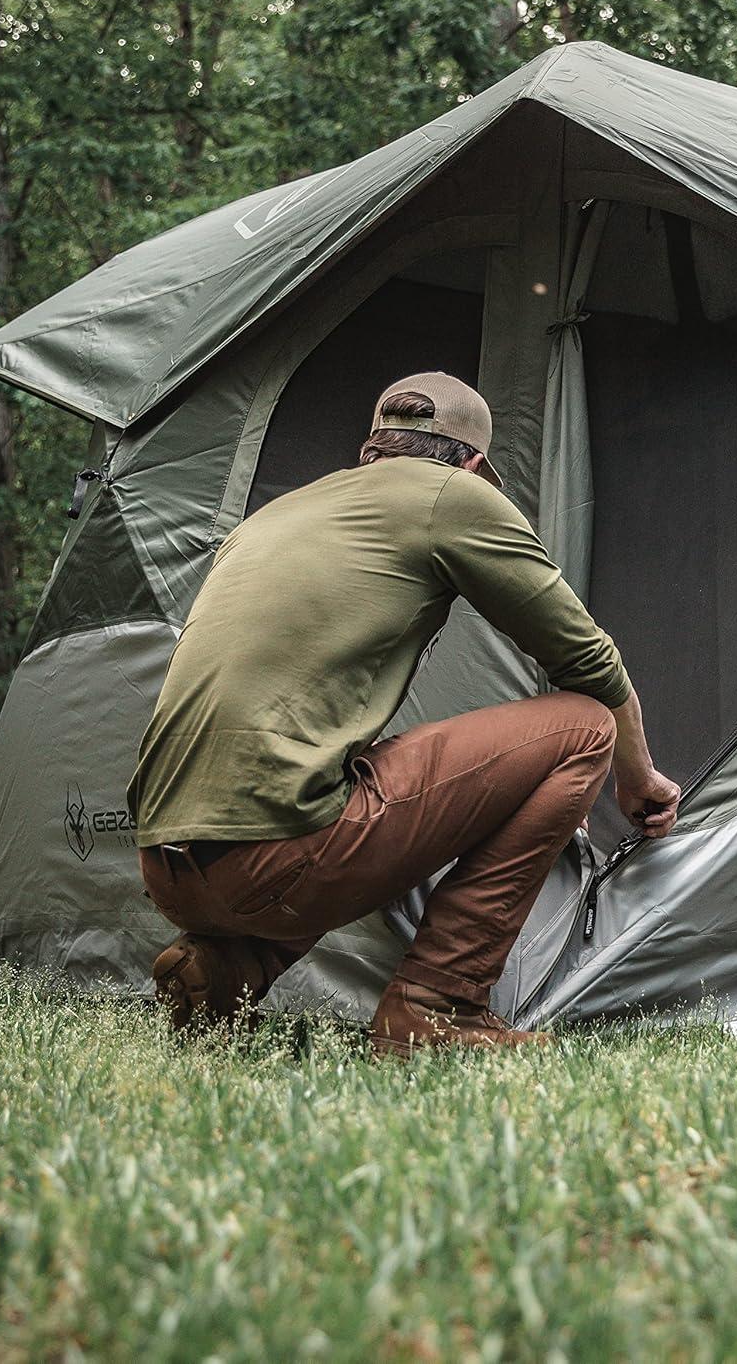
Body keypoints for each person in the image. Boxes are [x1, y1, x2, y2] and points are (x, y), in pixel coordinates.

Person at [128, 371, 679, 1057]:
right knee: (581, 729)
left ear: (373, 450)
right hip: (278, 865)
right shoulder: (453, 495)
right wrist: (638, 778)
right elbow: (587, 661)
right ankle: (437, 1005)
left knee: (344, 774)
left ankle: (227, 967)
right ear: (474, 466)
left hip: (166, 866)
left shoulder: (280, 512)